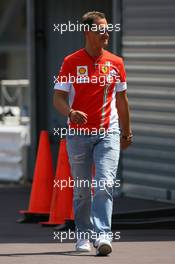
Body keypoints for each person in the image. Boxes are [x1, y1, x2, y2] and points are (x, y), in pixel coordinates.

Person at [53, 11, 132, 256]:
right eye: (100, 29)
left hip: (108, 132)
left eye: (107, 28)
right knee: (82, 188)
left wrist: (126, 133)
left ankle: (103, 236)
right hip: (78, 135)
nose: (106, 33)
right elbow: (58, 97)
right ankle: (83, 235)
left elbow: (122, 100)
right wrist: (70, 112)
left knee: (104, 183)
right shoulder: (70, 62)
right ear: (88, 32)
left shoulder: (116, 62)